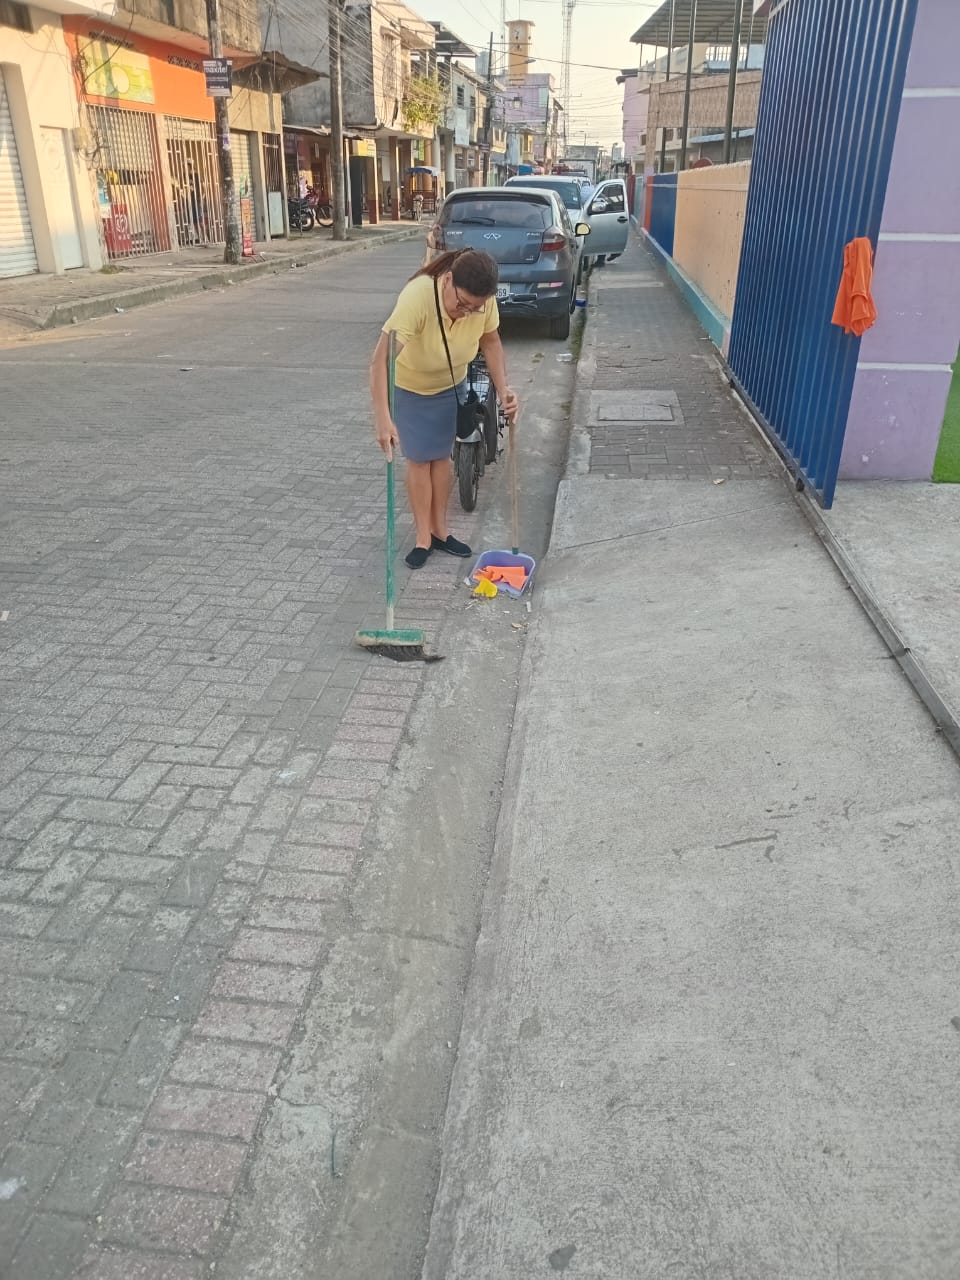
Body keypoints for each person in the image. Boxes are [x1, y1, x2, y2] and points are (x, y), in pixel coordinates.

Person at [369, 249, 519, 569]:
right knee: (419, 460)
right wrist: (382, 416)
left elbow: (491, 342)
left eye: (475, 308)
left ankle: (440, 530)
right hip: (411, 388)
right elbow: (380, 361)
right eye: (462, 304)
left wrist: (504, 389)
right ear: (448, 280)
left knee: (440, 458)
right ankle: (423, 536)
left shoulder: (482, 302)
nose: (467, 313)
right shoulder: (418, 296)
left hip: (451, 384)